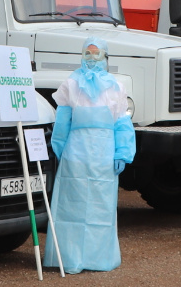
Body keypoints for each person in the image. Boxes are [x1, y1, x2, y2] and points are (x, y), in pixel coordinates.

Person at [45, 37, 135, 272]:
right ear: (81, 55)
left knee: (101, 207)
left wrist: (122, 152)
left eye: (97, 54)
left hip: (104, 156)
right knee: (71, 206)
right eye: (88, 54)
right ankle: (68, 257)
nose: (92, 59)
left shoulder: (116, 87)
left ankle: (98, 258)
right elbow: (63, 121)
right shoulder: (70, 84)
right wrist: (60, 151)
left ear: (106, 57)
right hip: (76, 155)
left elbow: (122, 123)